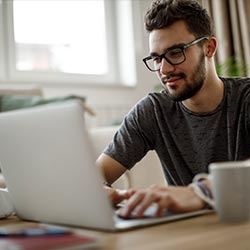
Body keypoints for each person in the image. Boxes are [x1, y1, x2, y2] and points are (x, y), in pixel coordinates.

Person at [96, 0, 250, 219]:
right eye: (156, 58)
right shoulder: (153, 111)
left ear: (209, 47)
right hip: (185, 233)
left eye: (176, 53)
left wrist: (199, 192)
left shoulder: (245, 99)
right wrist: (98, 191)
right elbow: (96, 174)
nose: (164, 69)